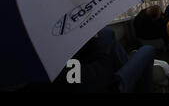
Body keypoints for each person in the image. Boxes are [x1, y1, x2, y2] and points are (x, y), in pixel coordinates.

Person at [21, 27, 155, 93]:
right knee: (147, 50)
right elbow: (92, 79)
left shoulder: (24, 62)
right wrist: (97, 45)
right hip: (107, 86)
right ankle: (132, 80)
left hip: (85, 77)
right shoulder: (47, 63)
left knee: (106, 33)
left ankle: (129, 74)